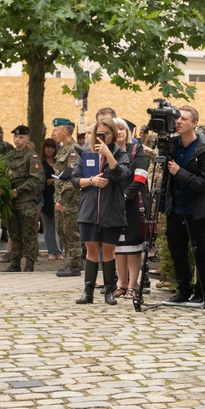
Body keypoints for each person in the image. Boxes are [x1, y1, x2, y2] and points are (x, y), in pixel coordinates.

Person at [71, 119, 132, 305]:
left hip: (111, 210)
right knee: (91, 249)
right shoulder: (87, 154)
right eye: (99, 133)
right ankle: (87, 292)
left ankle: (109, 292)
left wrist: (108, 155)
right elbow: (75, 179)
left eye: (106, 133)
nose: (102, 136)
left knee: (108, 250)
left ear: (113, 134)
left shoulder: (121, 153)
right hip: (90, 209)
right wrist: (91, 181)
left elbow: (121, 175)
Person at [163, 105, 205, 305]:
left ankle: (202, 292)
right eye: (177, 118)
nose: (178, 122)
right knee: (177, 252)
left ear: (194, 123)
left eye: (184, 119)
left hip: (197, 210)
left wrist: (180, 173)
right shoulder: (172, 146)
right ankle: (183, 291)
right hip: (175, 209)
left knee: (200, 252)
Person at [112, 118, 149, 300]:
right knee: (118, 246)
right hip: (113, 205)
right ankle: (121, 284)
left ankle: (133, 286)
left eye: (123, 129)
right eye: (116, 129)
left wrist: (125, 195)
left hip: (132, 203)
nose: (120, 132)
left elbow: (141, 177)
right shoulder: (109, 151)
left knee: (133, 247)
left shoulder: (136, 149)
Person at [1, 125, 44, 272]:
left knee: (28, 234)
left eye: (20, 137)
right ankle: (15, 263)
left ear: (27, 138)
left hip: (25, 201)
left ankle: (29, 265)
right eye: (15, 137)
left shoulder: (31, 156)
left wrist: (19, 190)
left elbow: (37, 177)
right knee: (13, 233)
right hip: (11, 201)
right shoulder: (8, 156)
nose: (17, 140)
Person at [52, 118, 84, 277]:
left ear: (64, 131)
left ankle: (75, 264)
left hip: (70, 201)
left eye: (56, 130)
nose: (54, 133)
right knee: (62, 231)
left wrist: (62, 200)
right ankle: (73, 261)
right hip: (60, 199)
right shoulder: (63, 149)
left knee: (71, 233)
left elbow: (72, 178)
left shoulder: (74, 150)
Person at [39, 138, 61, 260]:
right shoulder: (40, 163)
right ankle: (51, 251)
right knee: (48, 226)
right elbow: (39, 180)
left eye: (52, 147)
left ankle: (59, 251)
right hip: (46, 197)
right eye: (47, 147)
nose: (49, 150)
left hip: (58, 197)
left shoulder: (59, 162)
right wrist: (49, 181)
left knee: (60, 226)